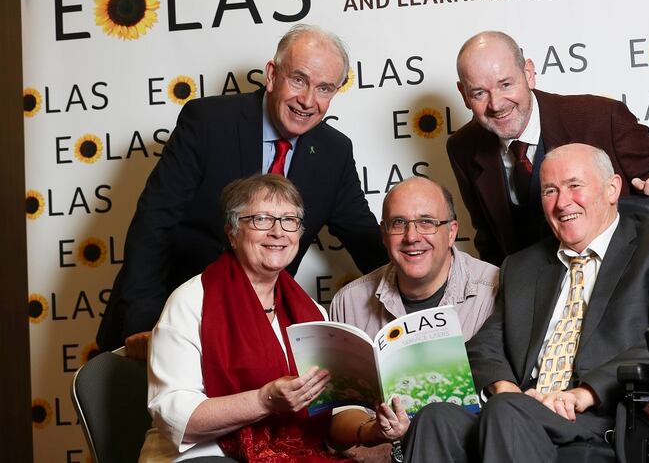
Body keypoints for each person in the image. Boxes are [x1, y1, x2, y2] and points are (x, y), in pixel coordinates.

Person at [401, 144, 649, 462]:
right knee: (435, 419)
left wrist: (584, 393)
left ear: (612, 189)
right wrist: (506, 390)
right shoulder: (523, 265)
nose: (562, 203)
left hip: (610, 415)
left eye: (575, 185)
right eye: (550, 191)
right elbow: (486, 345)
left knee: (507, 413)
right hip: (525, 408)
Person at [98, 24, 387, 358]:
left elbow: (367, 243)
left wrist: (422, 286)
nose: (308, 101)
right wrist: (145, 324)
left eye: (324, 89)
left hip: (251, 336)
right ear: (272, 74)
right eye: (298, 80)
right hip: (169, 318)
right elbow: (154, 223)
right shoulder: (207, 122)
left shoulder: (332, 152)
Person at [140, 174, 408, 463]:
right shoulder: (190, 301)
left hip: (296, 453)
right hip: (206, 454)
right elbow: (173, 414)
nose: (278, 232)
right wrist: (264, 400)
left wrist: (373, 430)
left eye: (289, 220)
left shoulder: (312, 313)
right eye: (262, 219)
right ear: (232, 231)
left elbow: (330, 414)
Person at [447, 30, 649, 266]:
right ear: (463, 94)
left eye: (506, 84)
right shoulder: (463, 148)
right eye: (480, 93)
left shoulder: (601, 118)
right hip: (535, 298)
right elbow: (489, 240)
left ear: (528, 73)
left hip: (620, 280)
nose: (496, 104)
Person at [330, 176, 498, 341]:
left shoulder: (496, 292)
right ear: (384, 234)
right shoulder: (348, 304)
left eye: (426, 222)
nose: (411, 237)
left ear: (451, 232)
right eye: (398, 223)